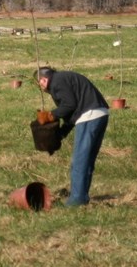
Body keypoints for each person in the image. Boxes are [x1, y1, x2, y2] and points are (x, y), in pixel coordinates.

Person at [35, 67, 109, 206]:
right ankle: (82, 196)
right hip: (100, 114)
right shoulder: (63, 79)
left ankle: (77, 200)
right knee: (87, 159)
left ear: (43, 80)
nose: (42, 89)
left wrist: (51, 115)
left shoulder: (57, 81)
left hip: (89, 116)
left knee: (80, 160)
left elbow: (69, 105)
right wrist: (61, 134)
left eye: (40, 84)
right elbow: (72, 112)